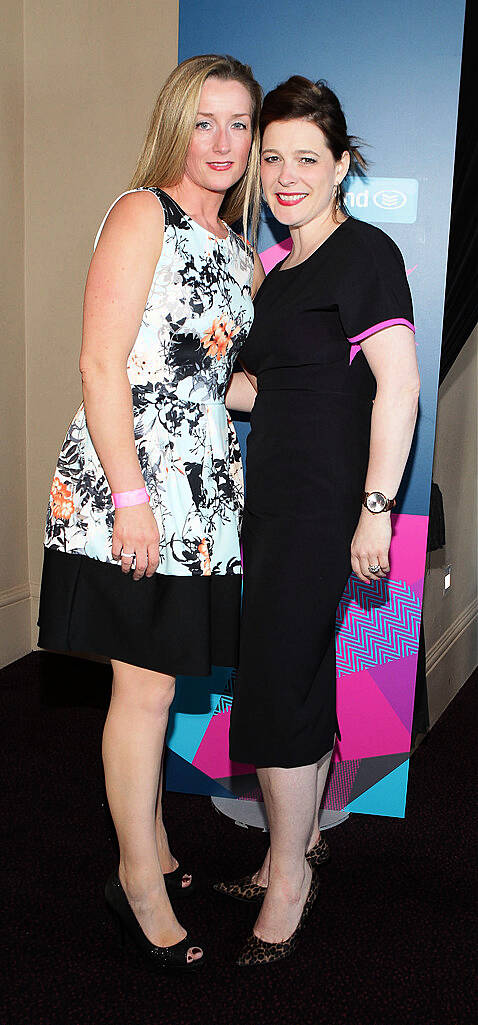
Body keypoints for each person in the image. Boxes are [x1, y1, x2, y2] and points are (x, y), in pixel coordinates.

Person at [37, 53, 264, 971]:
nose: (223, 142)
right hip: (130, 488)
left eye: (240, 123)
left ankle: (161, 849)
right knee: (145, 691)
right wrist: (132, 500)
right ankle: (136, 879)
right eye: (205, 121)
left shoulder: (238, 248)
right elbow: (101, 364)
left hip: (201, 493)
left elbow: (214, 380)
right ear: (177, 124)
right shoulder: (144, 213)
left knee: (163, 684)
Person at [217, 77, 420, 967]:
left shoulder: (362, 253)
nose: (286, 175)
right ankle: (286, 846)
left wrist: (375, 507)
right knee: (288, 670)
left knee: (277, 681)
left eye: (307, 158)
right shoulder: (279, 268)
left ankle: (293, 875)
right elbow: (271, 389)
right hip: (271, 501)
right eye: (273, 158)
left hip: (325, 504)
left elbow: (399, 384)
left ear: (342, 166)